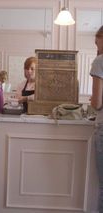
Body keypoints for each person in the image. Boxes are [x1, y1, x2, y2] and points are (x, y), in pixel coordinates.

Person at [90, 25, 103, 213]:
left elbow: (97, 103)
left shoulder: (100, 61)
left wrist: (93, 100)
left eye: (97, 41)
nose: (96, 46)